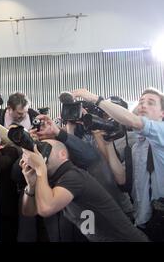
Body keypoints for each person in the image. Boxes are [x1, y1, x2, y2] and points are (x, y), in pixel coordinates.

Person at [73, 88, 164, 241]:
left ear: (162, 113)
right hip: (144, 221)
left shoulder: (161, 132)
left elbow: (133, 121)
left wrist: (96, 99)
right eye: (141, 102)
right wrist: (107, 144)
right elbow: (122, 179)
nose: (143, 105)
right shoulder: (137, 147)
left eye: (151, 103)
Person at [20, 139, 149, 241]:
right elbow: (29, 212)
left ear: (62, 154)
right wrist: (31, 185)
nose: (41, 155)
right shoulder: (55, 180)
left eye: (46, 149)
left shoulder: (73, 176)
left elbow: (46, 208)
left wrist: (40, 169)